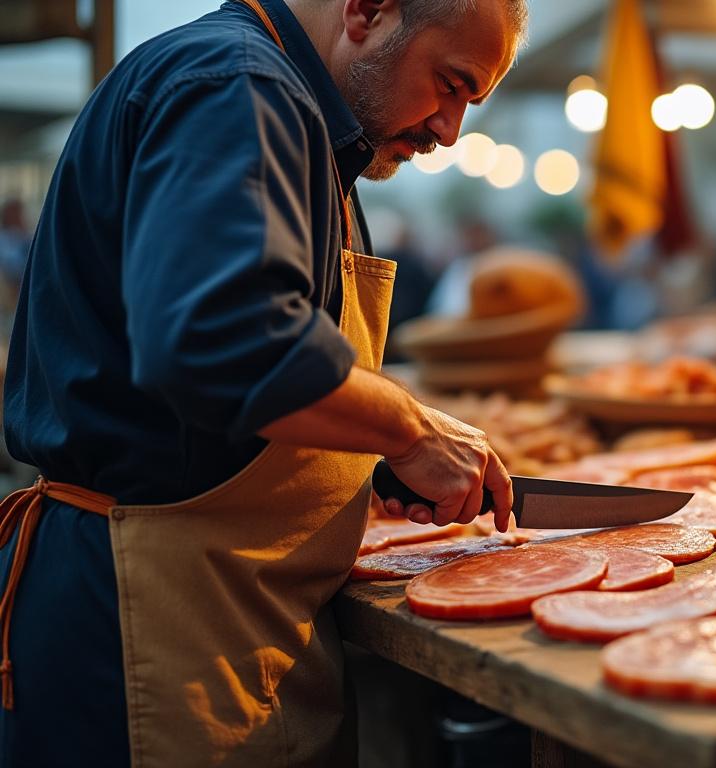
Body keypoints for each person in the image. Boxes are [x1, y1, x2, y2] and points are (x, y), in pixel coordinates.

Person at [0, 0, 527, 765]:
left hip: (234, 629)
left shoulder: (304, 123)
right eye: (450, 84)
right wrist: (407, 428)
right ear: (368, 9)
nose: (449, 130)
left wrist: (358, 460)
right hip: (148, 626)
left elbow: (240, 396)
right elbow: (223, 338)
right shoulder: (237, 87)